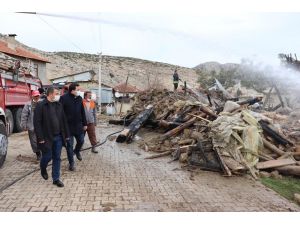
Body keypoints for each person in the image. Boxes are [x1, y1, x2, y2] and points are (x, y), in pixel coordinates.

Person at [33, 87, 70, 187]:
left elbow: (63, 121)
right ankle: (43, 167)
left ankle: (56, 179)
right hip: (46, 137)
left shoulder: (59, 105)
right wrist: (40, 138)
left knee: (57, 158)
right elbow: (37, 123)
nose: (58, 95)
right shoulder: (41, 106)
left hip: (58, 137)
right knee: (47, 156)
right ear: (50, 94)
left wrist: (66, 135)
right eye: (56, 93)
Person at [60, 83, 87, 169]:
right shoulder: (63, 98)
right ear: (72, 90)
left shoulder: (79, 98)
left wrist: (85, 124)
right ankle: (71, 163)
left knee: (81, 141)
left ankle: (77, 151)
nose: (79, 91)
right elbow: (60, 113)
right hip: (68, 127)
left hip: (78, 125)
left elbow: (82, 112)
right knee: (69, 146)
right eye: (78, 90)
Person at [20, 90, 42, 160]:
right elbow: (24, 115)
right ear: (32, 96)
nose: (37, 97)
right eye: (35, 96)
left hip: (42, 126)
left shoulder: (42, 103)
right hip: (31, 126)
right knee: (33, 141)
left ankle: (43, 152)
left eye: (38, 96)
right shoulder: (28, 104)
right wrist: (24, 125)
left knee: (42, 140)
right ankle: (38, 153)